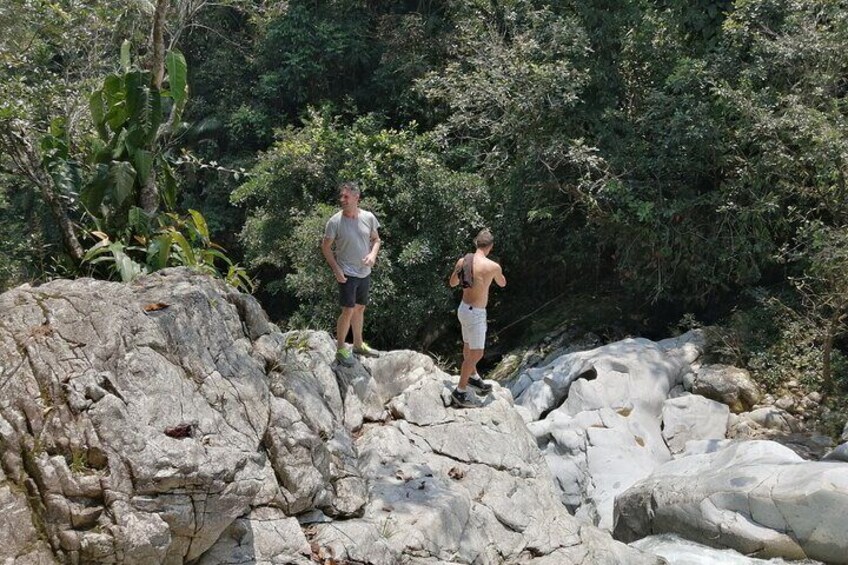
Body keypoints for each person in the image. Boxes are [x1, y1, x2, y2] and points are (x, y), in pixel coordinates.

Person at [321, 181, 381, 367]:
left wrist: (372, 255)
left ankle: (357, 344)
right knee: (347, 310)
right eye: (342, 196)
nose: (343, 200)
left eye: (346, 196)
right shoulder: (335, 222)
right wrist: (337, 270)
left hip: (364, 271)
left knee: (360, 308)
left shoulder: (369, 217)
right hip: (346, 272)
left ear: (357, 198)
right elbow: (326, 247)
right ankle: (340, 349)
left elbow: (377, 240)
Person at [448, 228, 506, 407]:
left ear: (476, 243)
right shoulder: (492, 266)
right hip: (477, 314)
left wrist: (461, 269)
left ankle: (473, 377)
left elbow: (452, 283)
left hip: (463, 309)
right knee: (477, 353)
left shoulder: (463, 261)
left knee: (467, 346)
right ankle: (460, 391)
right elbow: (502, 283)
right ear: (490, 246)